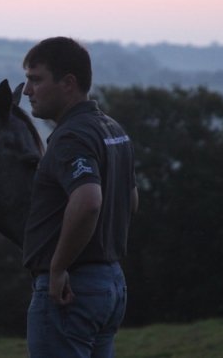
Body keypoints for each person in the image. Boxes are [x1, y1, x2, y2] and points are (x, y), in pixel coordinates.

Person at [21, 37, 138, 358]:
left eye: (36, 80)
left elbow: (88, 201)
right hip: (110, 283)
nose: (27, 90)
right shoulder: (112, 130)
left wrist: (58, 267)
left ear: (68, 83)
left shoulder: (71, 137)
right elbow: (132, 200)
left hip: (73, 289)